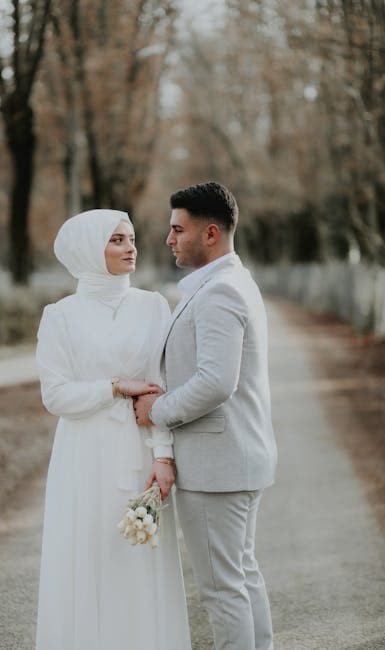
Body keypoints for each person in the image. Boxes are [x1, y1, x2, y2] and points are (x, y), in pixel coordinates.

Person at [35, 209, 191, 650]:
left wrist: (163, 457)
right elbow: (56, 396)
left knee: (140, 559)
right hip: (83, 455)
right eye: (117, 240)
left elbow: (163, 384)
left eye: (132, 238)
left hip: (138, 449)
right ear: (89, 250)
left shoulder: (153, 306)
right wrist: (116, 387)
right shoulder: (60, 316)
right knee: (88, 559)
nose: (131, 247)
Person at [134, 182, 277, 650]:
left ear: (210, 233)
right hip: (235, 460)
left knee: (221, 591)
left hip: (218, 466)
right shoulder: (231, 282)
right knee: (242, 577)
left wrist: (159, 411)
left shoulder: (219, 292)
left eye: (178, 229)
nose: (169, 239)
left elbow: (217, 381)